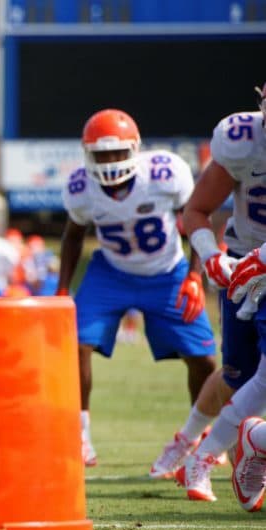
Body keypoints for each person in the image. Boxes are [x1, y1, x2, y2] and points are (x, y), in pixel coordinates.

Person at [57, 108, 217, 468]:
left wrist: (195, 275)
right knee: (76, 343)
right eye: (101, 154)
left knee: (204, 358)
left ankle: (202, 432)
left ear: (135, 149)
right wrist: (62, 290)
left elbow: (198, 218)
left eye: (116, 152)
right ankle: (80, 434)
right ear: (87, 154)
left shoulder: (164, 172)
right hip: (112, 271)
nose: (110, 161)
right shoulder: (81, 187)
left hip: (168, 271)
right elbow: (73, 236)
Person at [169, 86, 266, 503]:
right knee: (244, 376)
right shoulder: (243, 139)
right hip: (250, 271)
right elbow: (196, 209)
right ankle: (223, 450)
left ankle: (226, 450)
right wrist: (210, 256)